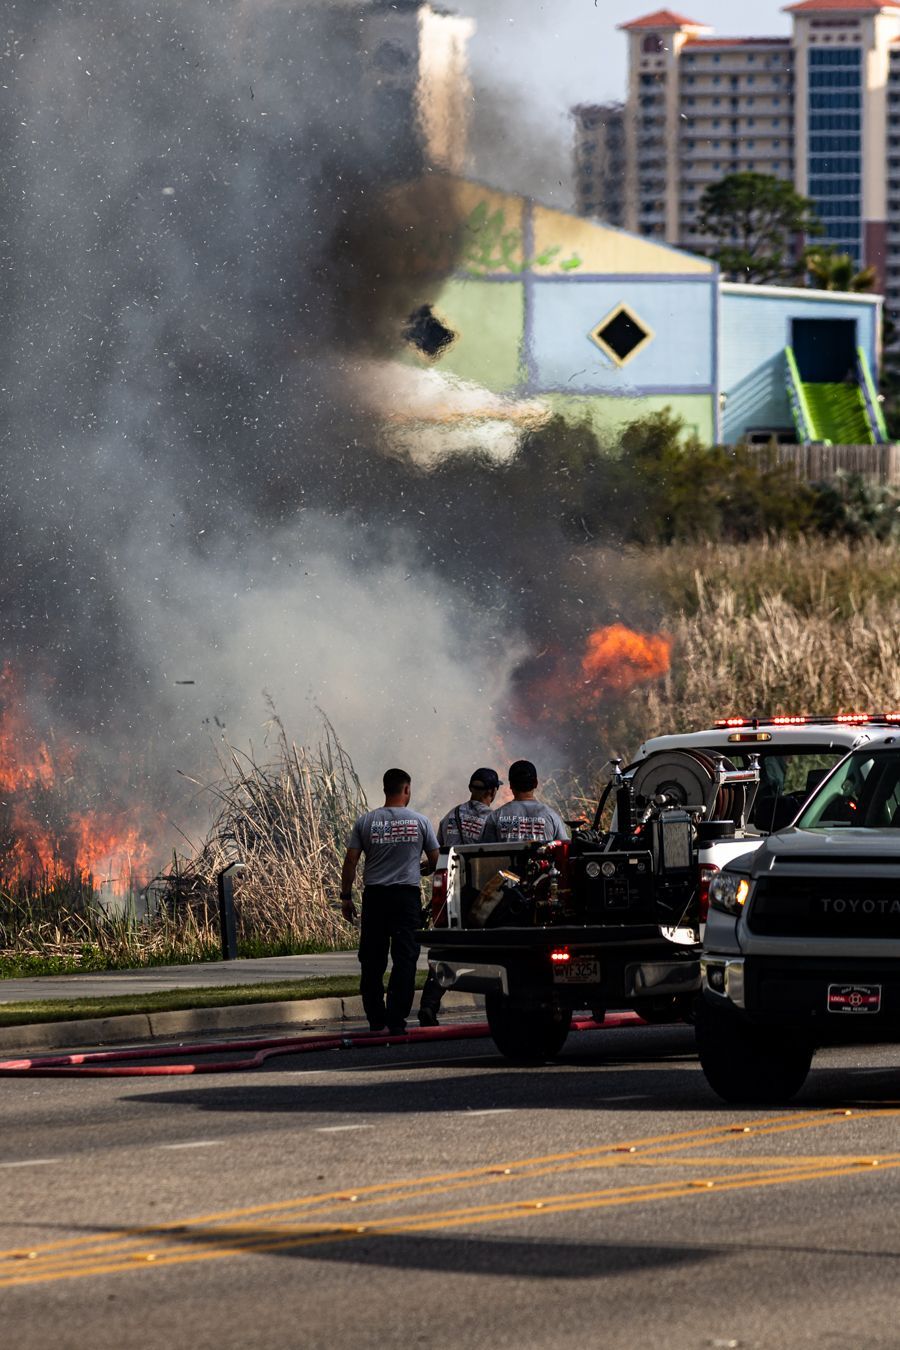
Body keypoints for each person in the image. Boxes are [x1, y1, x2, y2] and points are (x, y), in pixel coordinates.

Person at [340, 768, 439, 1035]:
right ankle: (396, 1019)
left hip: (375, 898)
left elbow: (351, 860)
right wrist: (424, 870)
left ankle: (375, 1018)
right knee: (405, 959)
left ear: (385, 789)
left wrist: (346, 897)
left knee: (372, 959)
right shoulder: (420, 821)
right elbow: (436, 860)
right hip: (406, 898)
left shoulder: (366, 821)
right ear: (406, 789)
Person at [418, 766, 503, 1027]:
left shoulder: (450, 817)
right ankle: (500, 1010)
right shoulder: (494, 819)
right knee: (495, 949)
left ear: (470, 789)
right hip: (481, 893)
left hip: (450, 893)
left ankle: (429, 1006)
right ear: (491, 791)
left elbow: (438, 855)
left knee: (449, 949)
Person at [481, 759, 569, 843]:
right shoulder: (552, 816)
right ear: (536, 783)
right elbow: (564, 849)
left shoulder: (495, 817)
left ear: (511, 785)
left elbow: (486, 853)